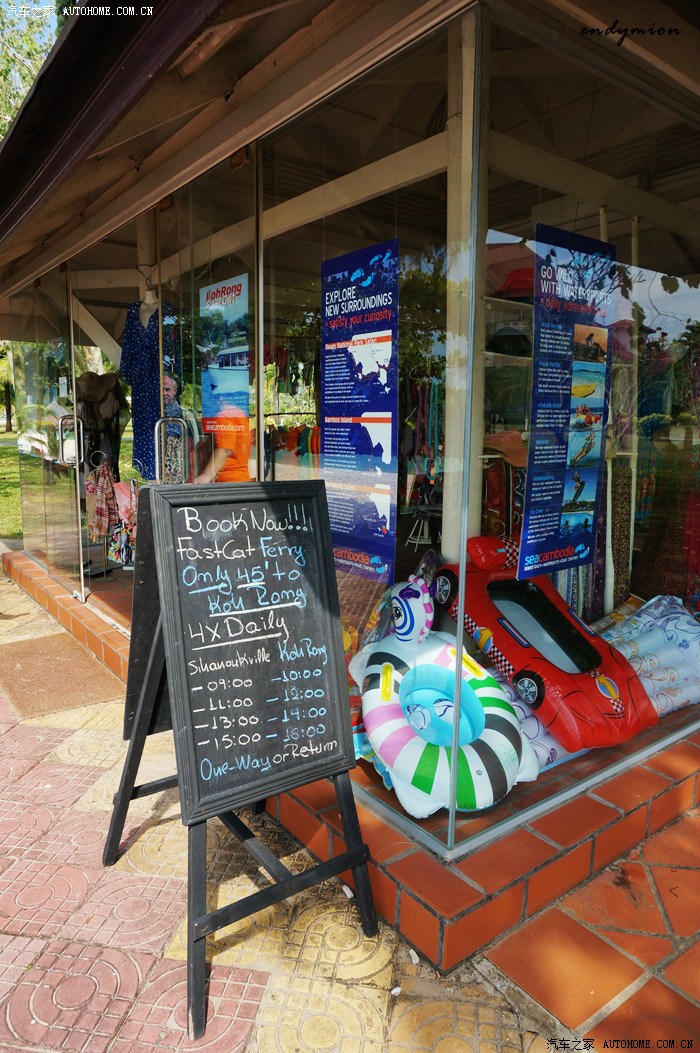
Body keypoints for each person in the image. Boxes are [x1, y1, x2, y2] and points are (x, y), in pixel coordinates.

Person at [195, 404, 251, 483]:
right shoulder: (240, 415)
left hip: (226, 482)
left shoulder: (224, 416)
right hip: (241, 478)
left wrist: (207, 475)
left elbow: (224, 450)